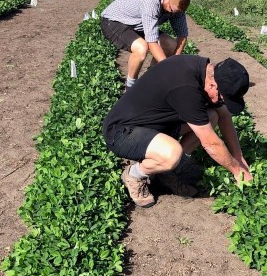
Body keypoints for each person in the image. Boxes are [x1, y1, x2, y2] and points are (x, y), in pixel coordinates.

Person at [103, 54, 253, 208]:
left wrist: (238, 157)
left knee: (212, 115)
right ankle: (134, 175)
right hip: (121, 132)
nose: (221, 102)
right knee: (172, 154)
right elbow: (211, 144)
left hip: (154, 125)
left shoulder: (203, 71)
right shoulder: (186, 88)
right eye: (222, 99)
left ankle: (166, 170)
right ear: (213, 85)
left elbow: (224, 115)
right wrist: (238, 171)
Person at [100, 0, 191, 90]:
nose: (174, 13)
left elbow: (182, 35)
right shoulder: (151, 1)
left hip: (139, 25)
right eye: (172, 10)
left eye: (177, 12)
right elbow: (152, 42)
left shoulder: (177, 6)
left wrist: (175, 60)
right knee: (141, 48)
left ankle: (150, 79)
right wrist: (168, 67)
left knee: (171, 45)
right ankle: (130, 87)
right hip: (114, 21)